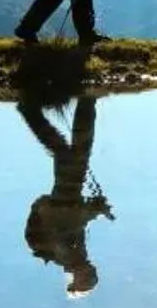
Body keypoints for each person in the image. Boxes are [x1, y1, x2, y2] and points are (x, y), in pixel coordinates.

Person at [20, 94, 110, 296]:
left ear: (80, 276)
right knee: (74, 150)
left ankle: (32, 112)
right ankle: (84, 100)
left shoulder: (67, 256)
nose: (91, 269)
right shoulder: (73, 257)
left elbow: (69, 223)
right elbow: (76, 223)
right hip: (68, 193)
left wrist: (95, 210)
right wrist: (96, 211)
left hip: (66, 194)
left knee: (70, 151)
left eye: (88, 275)